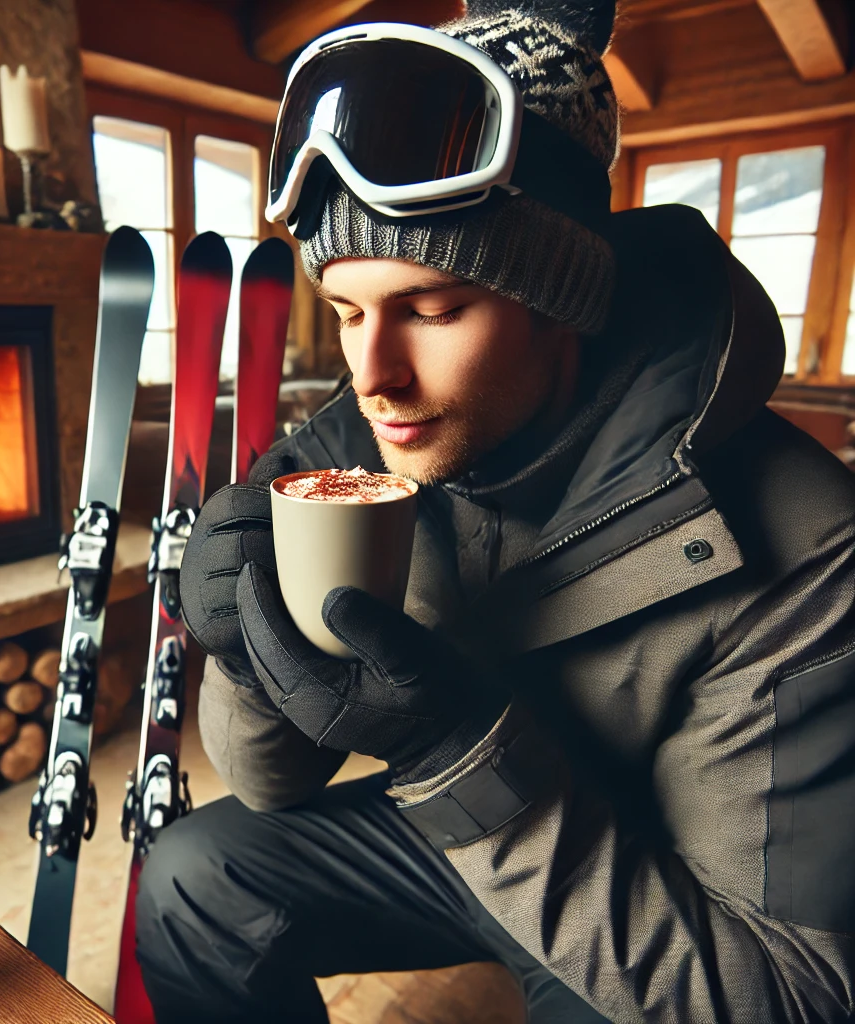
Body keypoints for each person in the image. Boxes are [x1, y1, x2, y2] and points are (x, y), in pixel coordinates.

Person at [134, 1, 855, 1021]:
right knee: (198, 873)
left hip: (662, 892)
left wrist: (451, 753)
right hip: (461, 832)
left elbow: (792, 998)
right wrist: (244, 653)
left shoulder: (810, 547)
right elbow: (266, 786)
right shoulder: (352, 449)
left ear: (563, 304)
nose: (373, 375)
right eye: (346, 311)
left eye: (430, 310)